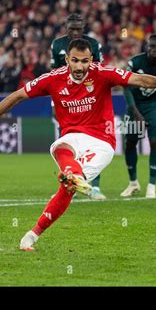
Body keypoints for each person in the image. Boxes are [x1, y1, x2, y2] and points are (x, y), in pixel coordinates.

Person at [0, 39, 156, 251]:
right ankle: (74, 176)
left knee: (68, 187)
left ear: (91, 60)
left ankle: (34, 232)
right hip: (73, 137)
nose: (79, 66)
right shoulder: (53, 79)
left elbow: (137, 79)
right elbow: (18, 95)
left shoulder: (103, 73)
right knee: (59, 148)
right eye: (74, 60)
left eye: (84, 61)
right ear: (67, 59)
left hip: (102, 142)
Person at [50, 13, 106, 200]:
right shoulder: (57, 45)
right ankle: (71, 179)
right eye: (72, 28)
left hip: (89, 95)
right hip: (66, 97)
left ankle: (95, 186)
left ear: (84, 28)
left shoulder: (93, 44)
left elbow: (100, 71)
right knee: (66, 140)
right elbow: (54, 75)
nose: (75, 32)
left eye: (79, 29)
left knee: (94, 141)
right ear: (66, 27)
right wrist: (54, 100)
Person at [120, 34, 156, 198]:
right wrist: (135, 112)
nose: (155, 50)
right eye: (152, 46)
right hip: (135, 105)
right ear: (147, 47)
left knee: (154, 142)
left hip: (155, 106)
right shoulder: (135, 62)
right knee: (130, 143)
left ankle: (151, 186)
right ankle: (133, 183)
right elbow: (125, 87)